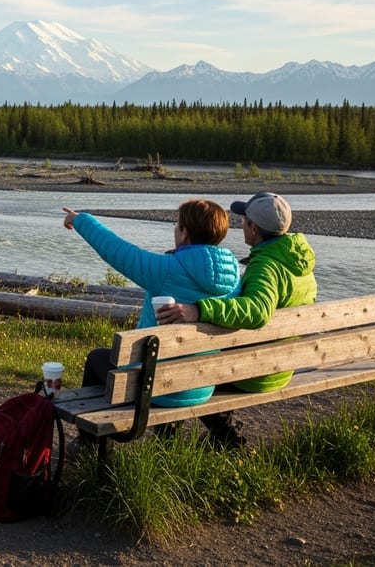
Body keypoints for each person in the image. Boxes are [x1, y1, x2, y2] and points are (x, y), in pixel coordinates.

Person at [155, 191, 318, 446]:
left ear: (254, 228)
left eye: (243, 220)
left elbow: (258, 310)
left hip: (257, 370)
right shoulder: (298, 262)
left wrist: (200, 309)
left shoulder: (267, 266)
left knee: (185, 364)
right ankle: (222, 435)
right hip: (284, 364)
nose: (240, 224)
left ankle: (187, 438)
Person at [63, 199, 242, 409]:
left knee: (96, 359)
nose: (175, 229)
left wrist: (80, 220)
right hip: (201, 384)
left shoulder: (166, 270)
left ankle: (92, 439)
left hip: (157, 387)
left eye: (177, 225)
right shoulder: (235, 277)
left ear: (184, 233)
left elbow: (117, 251)